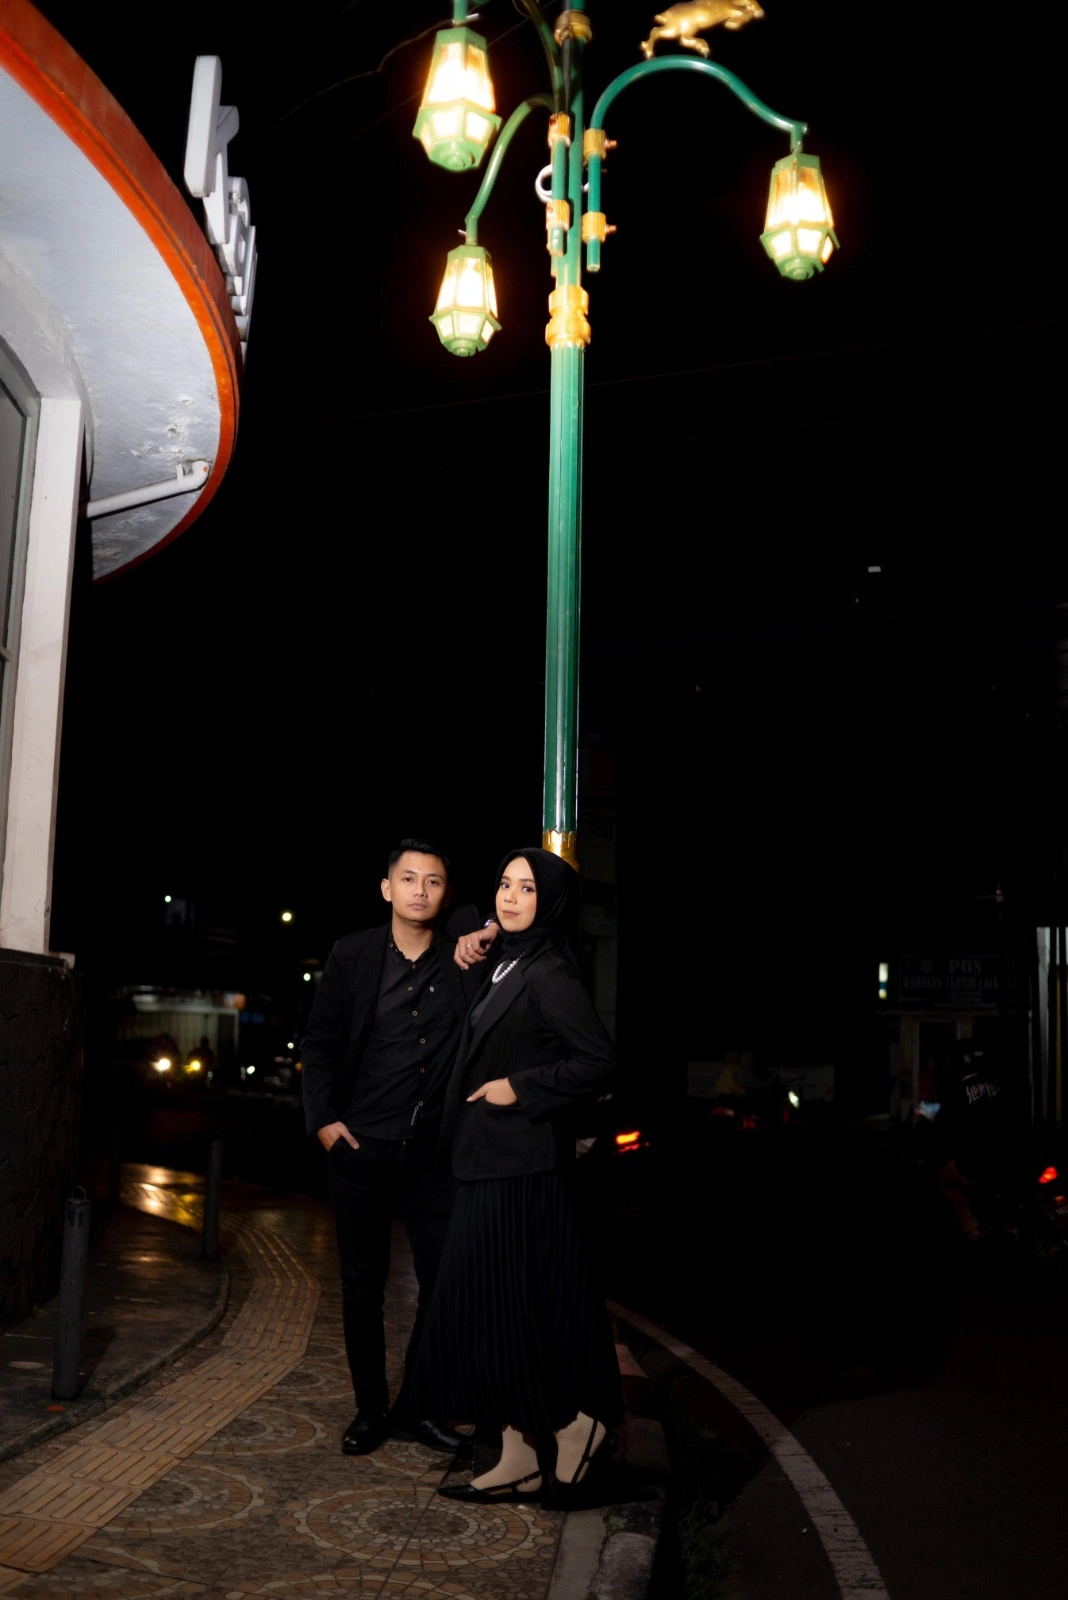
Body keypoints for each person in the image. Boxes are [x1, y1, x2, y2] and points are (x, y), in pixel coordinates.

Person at [413, 847, 624, 1508]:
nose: (509, 897)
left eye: (527, 889)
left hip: (520, 1167)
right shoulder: (509, 957)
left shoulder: (550, 969)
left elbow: (598, 1062)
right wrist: (482, 935)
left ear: (550, 901)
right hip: (484, 1161)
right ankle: (518, 1457)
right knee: (487, 1312)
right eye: (505, 884)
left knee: (506, 1310)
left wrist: (520, 1087)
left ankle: (571, 1423)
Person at [300, 838, 489, 1458]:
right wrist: (324, 1122)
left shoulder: (462, 952)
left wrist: (483, 931)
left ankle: (418, 1407)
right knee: (363, 1286)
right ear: (386, 888)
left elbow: (506, 920)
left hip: (432, 1151)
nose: (419, 890)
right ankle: (371, 1408)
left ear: (446, 894)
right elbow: (320, 1044)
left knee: (443, 1280)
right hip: (361, 1146)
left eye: (432, 881)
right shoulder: (352, 954)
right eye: (408, 879)